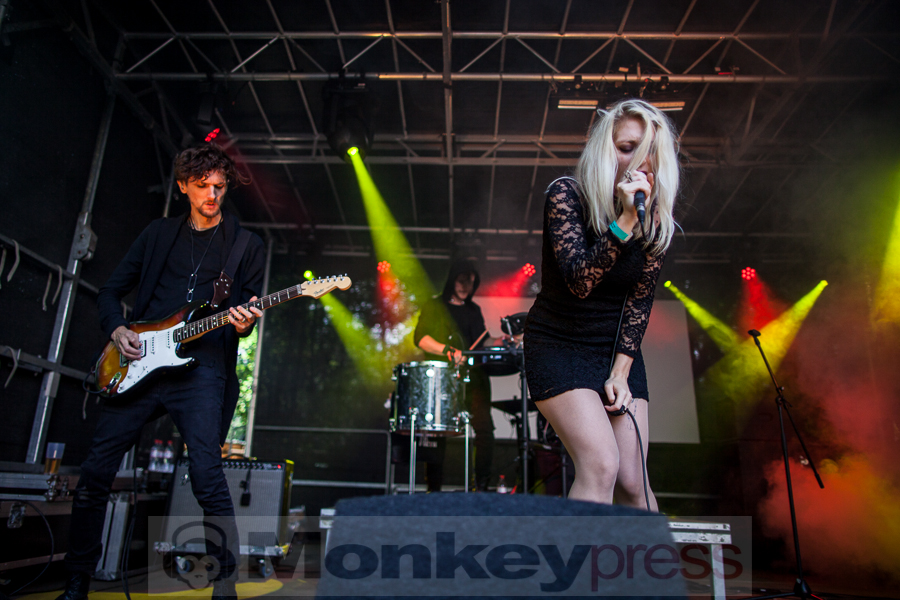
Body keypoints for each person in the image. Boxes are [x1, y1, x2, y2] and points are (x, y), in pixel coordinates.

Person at [56, 144, 265, 600]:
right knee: (95, 474)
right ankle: (76, 581)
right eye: (203, 186)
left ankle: (225, 584)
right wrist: (116, 330)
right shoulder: (156, 234)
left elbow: (244, 316)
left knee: (208, 475)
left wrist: (245, 323)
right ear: (184, 186)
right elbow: (111, 292)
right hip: (139, 362)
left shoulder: (247, 246)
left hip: (203, 368)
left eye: (220, 186)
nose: (213, 194)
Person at [523, 99, 679, 509]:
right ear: (603, 148)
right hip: (558, 344)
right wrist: (625, 221)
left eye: (645, 155)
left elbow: (640, 301)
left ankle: (643, 572)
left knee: (634, 480)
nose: (634, 163)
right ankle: (577, 573)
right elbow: (579, 280)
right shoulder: (566, 196)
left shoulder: (656, 221)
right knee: (601, 464)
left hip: (614, 352)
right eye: (625, 147)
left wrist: (621, 373)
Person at [413, 260, 505, 491]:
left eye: (471, 282)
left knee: (485, 430)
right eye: (462, 279)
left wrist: (502, 341)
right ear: (452, 279)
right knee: (437, 430)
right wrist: (447, 350)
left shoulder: (474, 310)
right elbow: (421, 338)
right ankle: (433, 489)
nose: (466, 286)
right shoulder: (434, 306)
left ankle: (481, 486)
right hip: (442, 378)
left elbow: (483, 340)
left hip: (474, 377)